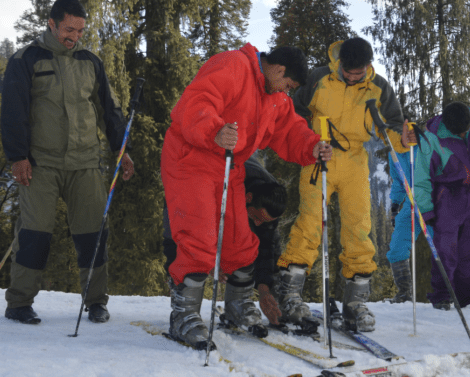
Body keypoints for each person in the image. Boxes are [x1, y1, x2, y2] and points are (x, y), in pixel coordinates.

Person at [162, 42, 331, 350]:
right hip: (191, 158)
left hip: (229, 165)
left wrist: (312, 147)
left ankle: (237, 305)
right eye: (289, 84)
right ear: (279, 70)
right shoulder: (232, 65)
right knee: (199, 239)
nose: (288, 91)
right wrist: (214, 130)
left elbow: (290, 130)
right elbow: (195, 103)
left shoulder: (276, 97)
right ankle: (183, 316)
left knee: (241, 240)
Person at [0, 0, 133, 325]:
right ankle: (19, 303)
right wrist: (18, 157)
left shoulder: (90, 62)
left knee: (93, 233)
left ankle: (96, 303)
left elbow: (109, 110)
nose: (74, 37)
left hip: (85, 163)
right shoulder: (26, 59)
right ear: (51, 24)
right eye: (68, 30)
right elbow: (13, 111)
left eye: (80, 31)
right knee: (35, 233)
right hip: (40, 164)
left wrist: (121, 149)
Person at [275, 37, 412, 332]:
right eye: (347, 73)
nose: (352, 78)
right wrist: (308, 142)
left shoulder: (379, 88)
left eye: (358, 74)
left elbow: (392, 126)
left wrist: (403, 139)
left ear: (368, 66)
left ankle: (355, 302)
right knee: (309, 223)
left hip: (354, 160)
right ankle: (290, 295)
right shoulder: (319, 77)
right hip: (318, 155)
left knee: (359, 227)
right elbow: (294, 114)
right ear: (339, 64)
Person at [160, 154, 289, 325]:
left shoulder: (269, 199)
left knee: (247, 245)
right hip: (192, 189)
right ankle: (182, 301)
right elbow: (192, 231)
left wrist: (264, 288)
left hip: (237, 182)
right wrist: (211, 262)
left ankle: (238, 302)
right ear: (248, 198)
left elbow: (266, 245)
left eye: (263, 221)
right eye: (256, 217)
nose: (258, 223)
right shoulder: (223, 185)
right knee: (186, 241)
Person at [414, 101, 470, 310]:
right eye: (458, 133)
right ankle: (442, 294)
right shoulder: (432, 137)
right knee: (445, 246)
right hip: (448, 195)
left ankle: (467, 294)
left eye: (465, 130)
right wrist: (425, 209)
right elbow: (421, 177)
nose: (463, 135)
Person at [385, 131, 422, 303]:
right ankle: (405, 294)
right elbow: (399, 181)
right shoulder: (394, 152)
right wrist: (394, 205)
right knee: (397, 246)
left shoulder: (425, 146)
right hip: (412, 203)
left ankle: (448, 293)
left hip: (436, 200)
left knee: (445, 246)